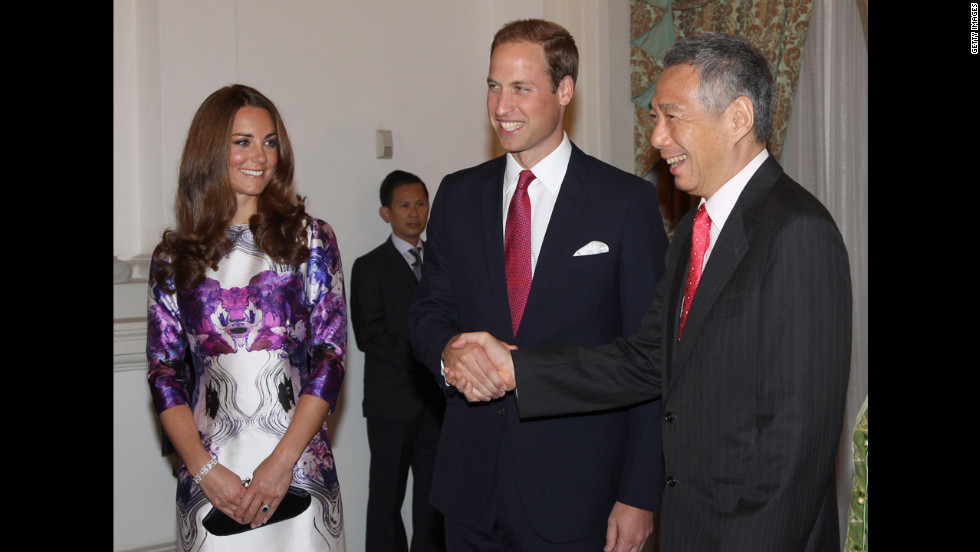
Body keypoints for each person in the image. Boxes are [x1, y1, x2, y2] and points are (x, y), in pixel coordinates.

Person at [450, 32, 853, 552]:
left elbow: (797, 446)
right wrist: (516, 370)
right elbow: (645, 360)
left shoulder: (797, 231)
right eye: (654, 118)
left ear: (737, 118)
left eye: (672, 115)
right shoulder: (692, 231)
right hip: (690, 527)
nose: (657, 137)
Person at [407, 19, 669, 552]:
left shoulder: (623, 202)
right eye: (493, 86)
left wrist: (640, 494)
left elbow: (652, 357)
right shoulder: (458, 196)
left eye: (521, 88)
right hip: (469, 490)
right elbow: (427, 313)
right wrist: (449, 353)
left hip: (579, 493)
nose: (502, 105)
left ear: (564, 90)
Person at [146, 84, 347, 551]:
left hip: (298, 470)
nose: (261, 155)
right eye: (243, 141)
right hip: (212, 476)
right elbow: (164, 374)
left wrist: (281, 464)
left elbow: (330, 359)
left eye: (270, 141)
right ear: (212, 149)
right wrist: (204, 470)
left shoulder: (311, 239)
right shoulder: (173, 257)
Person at [351, 170, 445, 552]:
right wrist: (428, 353)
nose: (414, 213)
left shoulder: (441, 263)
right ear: (385, 213)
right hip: (391, 402)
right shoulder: (369, 266)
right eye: (404, 205)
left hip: (437, 402)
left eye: (421, 203)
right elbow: (369, 336)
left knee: (433, 497)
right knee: (386, 496)